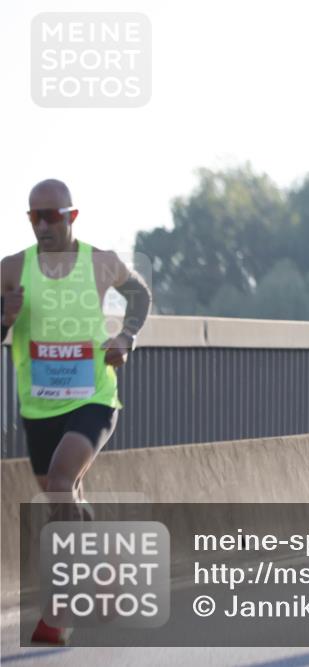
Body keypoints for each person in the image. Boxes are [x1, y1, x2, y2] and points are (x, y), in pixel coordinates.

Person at [0, 179, 152, 645]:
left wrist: (126, 337)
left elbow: (140, 296)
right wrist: (4, 318)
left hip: (94, 397)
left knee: (63, 484)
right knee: (62, 496)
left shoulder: (100, 262)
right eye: (34, 217)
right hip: (38, 406)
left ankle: (63, 605)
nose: (43, 225)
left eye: (52, 216)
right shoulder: (11, 269)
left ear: (72, 217)